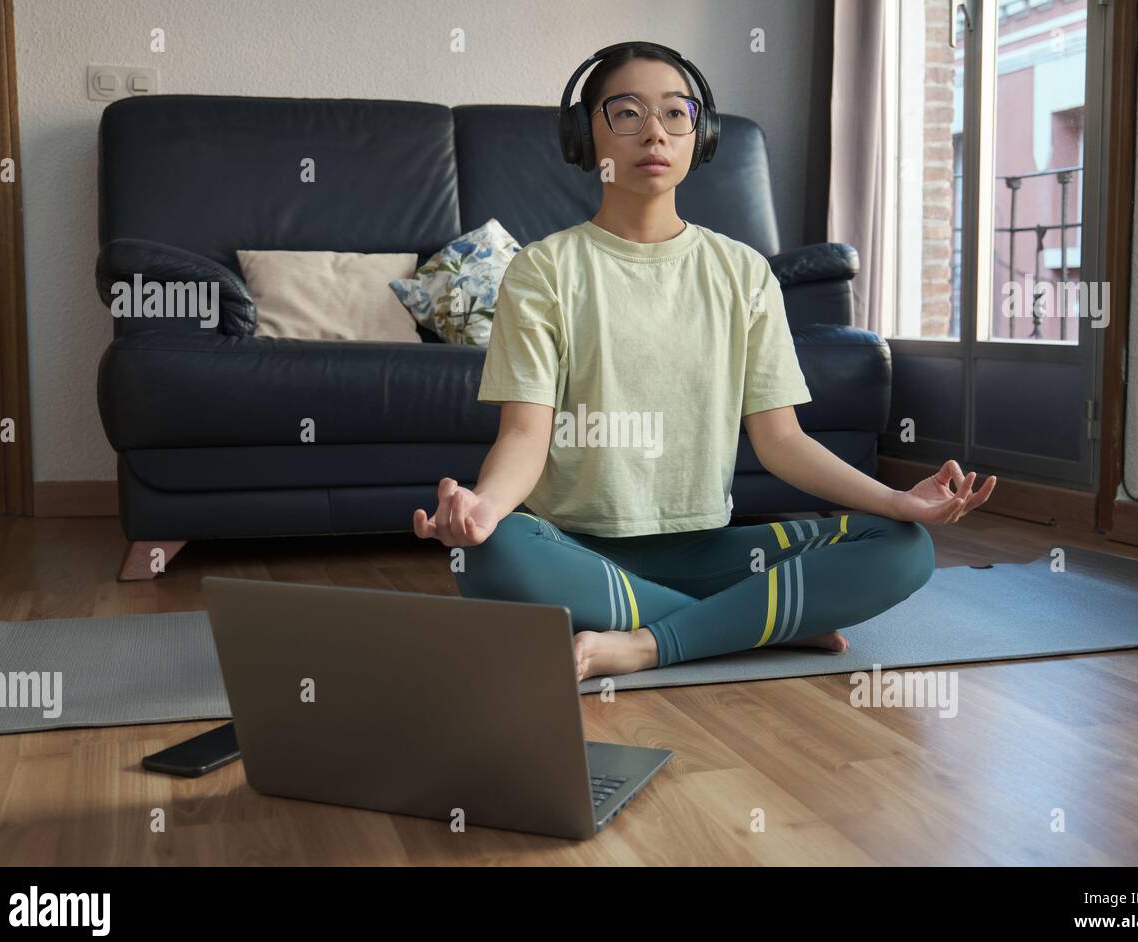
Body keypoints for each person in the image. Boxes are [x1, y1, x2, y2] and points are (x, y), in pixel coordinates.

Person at [414, 43, 996, 681]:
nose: (655, 133)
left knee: (905, 549)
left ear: (702, 134)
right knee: (489, 556)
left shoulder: (744, 272)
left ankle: (647, 642)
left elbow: (782, 442)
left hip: (714, 548)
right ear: (587, 137)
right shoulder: (544, 270)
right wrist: (484, 509)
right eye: (627, 113)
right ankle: (756, 625)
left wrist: (897, 501)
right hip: (573, 548)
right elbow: (525, 434)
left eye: (676, 113)